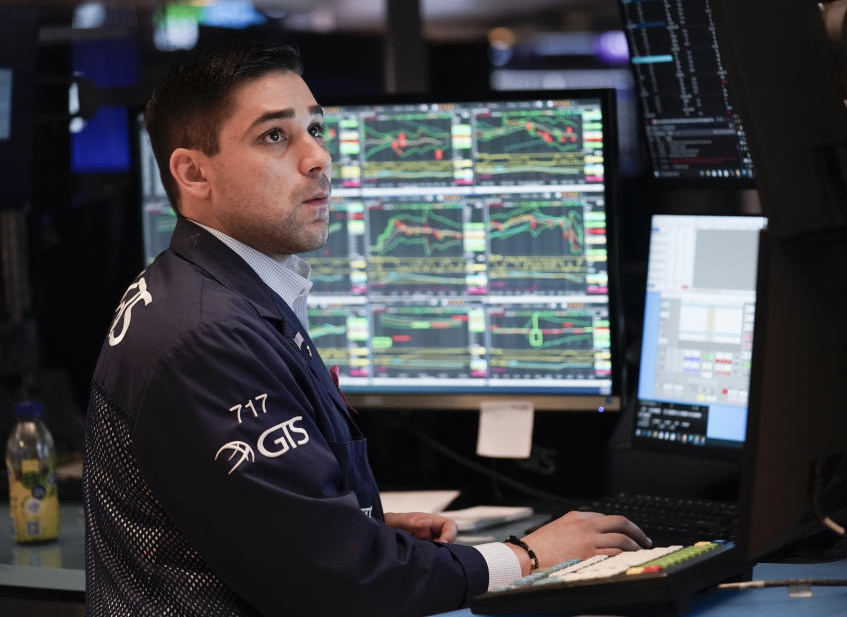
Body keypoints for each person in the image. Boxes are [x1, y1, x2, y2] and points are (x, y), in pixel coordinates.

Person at [82, 40, 650, 617]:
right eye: (275, 136)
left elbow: (263, 530)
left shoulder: (206, 291)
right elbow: (340, 586)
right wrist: (526, 555)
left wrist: (352, 527)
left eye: (316, 130)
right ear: (193, 172)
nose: (317, 159)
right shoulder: (205, 336)